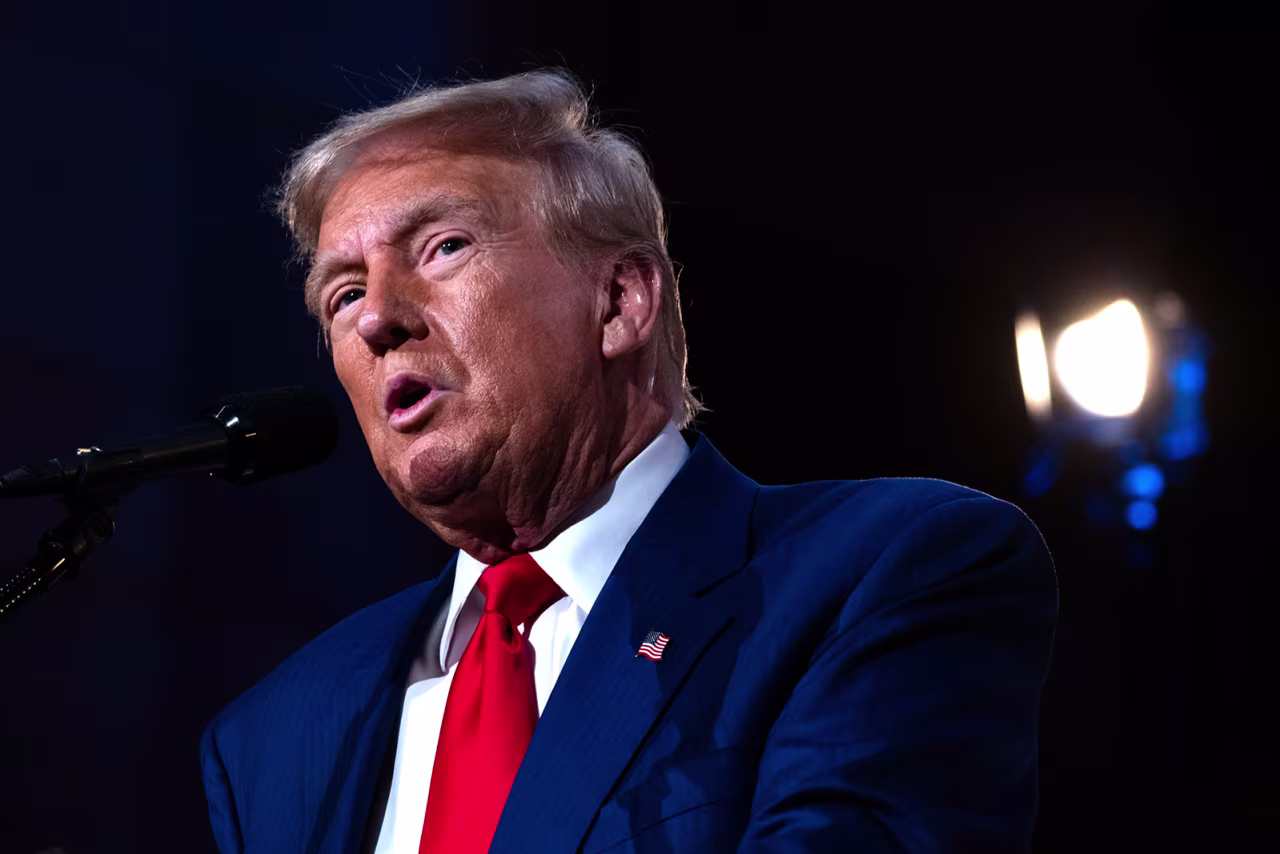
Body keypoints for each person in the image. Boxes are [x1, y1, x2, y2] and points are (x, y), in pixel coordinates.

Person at [200, 69, 1058, 854]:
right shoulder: (274, 736)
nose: (378, 318)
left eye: (444, 248)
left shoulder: (884, 574)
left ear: (619, 301)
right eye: (343, 294)